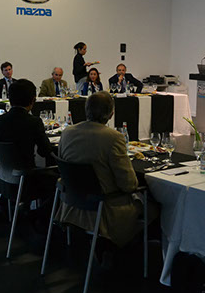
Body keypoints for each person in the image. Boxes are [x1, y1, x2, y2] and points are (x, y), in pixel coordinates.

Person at [57, 91, 158, 247]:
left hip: (71, 202)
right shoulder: (113, 137)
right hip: (105, 207)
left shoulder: (67, 133)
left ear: (86, 109)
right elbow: (129, 185)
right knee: (154, 205)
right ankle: (131, 250)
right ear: (111, 114)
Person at [0, 79, 56, 217]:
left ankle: (7, 206)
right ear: (33, 100)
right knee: (59, 180)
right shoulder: (33, 122)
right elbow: (45, 151)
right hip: (26, 181)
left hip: (1, 179)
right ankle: (39, 217)